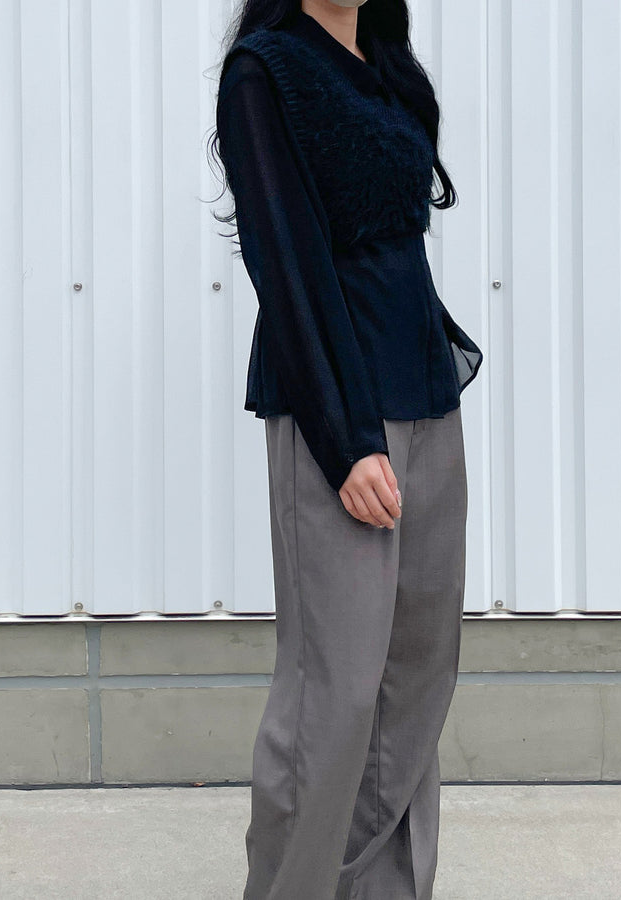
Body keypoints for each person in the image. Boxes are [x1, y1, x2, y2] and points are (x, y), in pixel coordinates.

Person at [209, 1, 483, 897]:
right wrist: (348, 443)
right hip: (340, 417)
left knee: (416, 680)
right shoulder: (266, 71)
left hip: (427, 397)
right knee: (336, 690)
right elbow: (286, 267)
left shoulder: (385, 62)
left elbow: (399, 246)